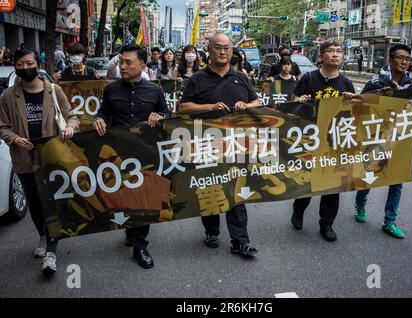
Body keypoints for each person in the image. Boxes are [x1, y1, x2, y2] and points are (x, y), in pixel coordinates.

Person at [180, 32, 261, 256]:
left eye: (227, 48)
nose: (223, 52)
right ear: (209, 50)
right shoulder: (197, 79)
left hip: (236, 144)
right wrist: (210, 107)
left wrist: (248, 105)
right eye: (218, 47)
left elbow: (257, 100)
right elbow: (183, 108)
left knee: (236, 192)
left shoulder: (241, 77)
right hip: (205, 143)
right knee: (210, 188)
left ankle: (240, 241)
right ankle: (212, 230)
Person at [0, 48, 79, 275]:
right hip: (25, 160)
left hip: (52, 159)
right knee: (35, 204)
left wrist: (71, 129)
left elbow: (71, 116)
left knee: (50, 204)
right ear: (15, 66)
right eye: (20, 64)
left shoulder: (53, 91)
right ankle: (43, 237)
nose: (25, 68)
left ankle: (51, 254)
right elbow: (2, 126)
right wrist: (15, 138)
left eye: (29, 63)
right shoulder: (8, 96)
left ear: (38, 64)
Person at [93, 44, 171, 269]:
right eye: (121, 62)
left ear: (142, 65)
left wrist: (160, 115)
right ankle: (130, 229)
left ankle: (140, 246)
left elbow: (167, 114)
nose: (123, 66)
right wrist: (99, 119)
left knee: (143, 199)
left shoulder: (154, 91)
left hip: (145, 154)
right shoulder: (111, 90)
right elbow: (103, 112)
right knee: (125, 197)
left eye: (128, 62)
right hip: (119, 155)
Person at [291, 39, 356, 242]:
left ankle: (326, 224)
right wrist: (299, 101)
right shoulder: (308, 79)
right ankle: (298, 211)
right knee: (307, 183)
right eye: (330, 51)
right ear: (321, 56)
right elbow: (292, 105)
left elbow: (354, 114)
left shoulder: (346, 83)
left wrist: (351, 101)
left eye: (339, 51)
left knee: (332, 186)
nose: (335, 54)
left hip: (334, 142)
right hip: (310, 140)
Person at [354, 44, 412, 239]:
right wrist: (378, 96)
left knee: (397, 180)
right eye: (400, 58)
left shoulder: (410, 83)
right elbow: (360, 104)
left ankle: (389, 221)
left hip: (398, 139)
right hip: (375, 136)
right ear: (390, 60)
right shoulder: (376, 81)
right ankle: (360, 205)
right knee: (370, 176)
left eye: (407, 58)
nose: (404, 62)